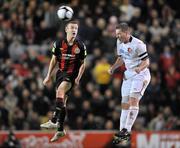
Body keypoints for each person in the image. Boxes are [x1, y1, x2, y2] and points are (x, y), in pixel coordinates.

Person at [40, 21, 87, 142]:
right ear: (66, 29)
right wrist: (48, 75)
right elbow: (53, 60)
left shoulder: (80, 45)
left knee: (60, 91)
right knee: (63, 102)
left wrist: (78, 77)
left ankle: (54, 121)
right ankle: (60, 130)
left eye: (76, 28)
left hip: (72, 75)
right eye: (72, 27)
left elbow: (83, 64)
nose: (74, 30)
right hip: (60, 74)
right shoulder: (58, 43)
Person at [108, 23, 151, 144]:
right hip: (128, 75)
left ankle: (127, 130)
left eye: (119, 34)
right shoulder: (119, 43)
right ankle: (122, 133)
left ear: (127, 32)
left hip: (140, 74)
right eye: (116, 35)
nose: (117, 37)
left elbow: (146, 62)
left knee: (133, 100)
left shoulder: (139, 44)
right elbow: (121, 58)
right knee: (124, 104)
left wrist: (140, 68)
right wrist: (113, 67)